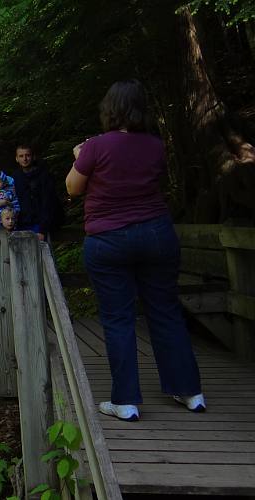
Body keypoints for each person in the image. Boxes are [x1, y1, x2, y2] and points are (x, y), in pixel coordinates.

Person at [66, 79, 204, 422]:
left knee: (118, 318)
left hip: (109, 238)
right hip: (156, 233)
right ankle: (190, 391)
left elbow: (72, 188)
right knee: (166, 311)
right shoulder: (156, 146)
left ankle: (126, 401)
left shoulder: (96, 146)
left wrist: (79, 157)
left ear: (110, 109)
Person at [13, 144, 64, 241]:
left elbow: (48, 203)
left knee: (41, 254)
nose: (25, 159)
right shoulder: (15, 177)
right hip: (20, 225)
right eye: (21, 156)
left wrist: (43, 229)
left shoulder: (44, 176)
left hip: (39, 225)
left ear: (33, 157)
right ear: (17, 159)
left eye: (27, 155)